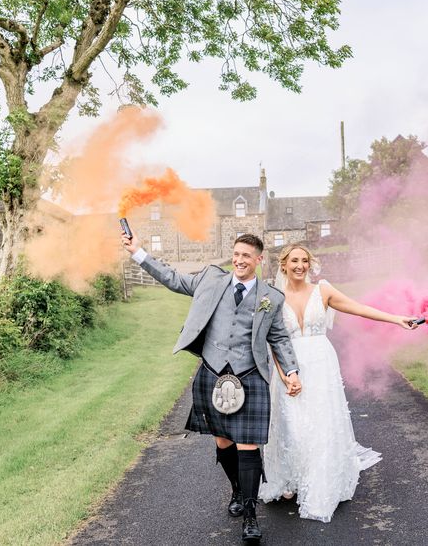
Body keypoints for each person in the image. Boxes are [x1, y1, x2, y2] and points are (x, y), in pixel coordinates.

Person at [122, 231, 301, 544]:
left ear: (259, 260)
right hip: (212, 371)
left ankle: (250, 514)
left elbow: (279, 338)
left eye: (246, 256)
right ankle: (237, 489)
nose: (239, 260)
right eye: (236, 254)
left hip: (250, 374)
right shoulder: (209, 279)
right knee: (223, 441)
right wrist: (138, 252)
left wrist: (291, 371)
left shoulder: (271, 297)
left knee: (248, 445)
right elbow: (172, 278)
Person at [259, 243, 421, 522]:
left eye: (304, 260)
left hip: (321, 365)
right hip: (289, 365)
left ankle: (318, 480)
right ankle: (289, 476)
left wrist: (397, 319)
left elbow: (359, 309)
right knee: (291, 422)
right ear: (283, 265)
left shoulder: (323, 290)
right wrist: (284, 374)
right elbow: (274, 340)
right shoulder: (273, 297)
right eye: (294, 260)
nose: (300, 266)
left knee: (320, 421)